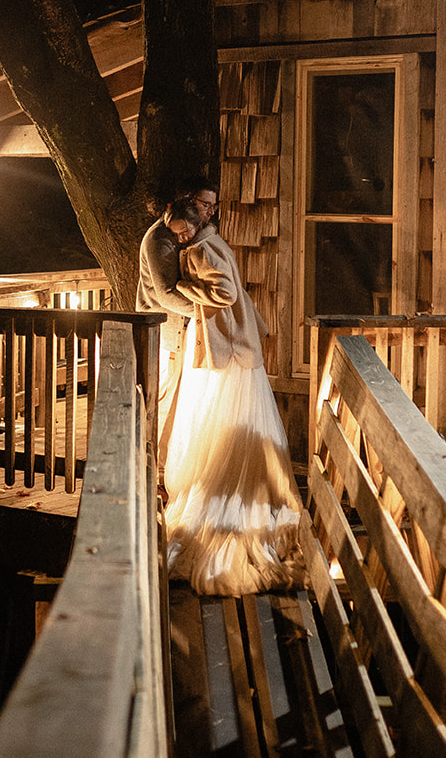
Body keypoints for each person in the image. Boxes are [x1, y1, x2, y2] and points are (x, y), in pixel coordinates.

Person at [161, 197, 305, 596]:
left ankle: (228, 494)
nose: (182, 238)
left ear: (196, 223)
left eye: (183, 231)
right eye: (177, 234)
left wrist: (185, 287)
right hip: (232, 341)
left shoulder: (204, 249)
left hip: (226, 343)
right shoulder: (211, 242)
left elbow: (223, 293)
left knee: (218, 410)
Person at [135, 176, 218, 411]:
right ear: (190, 202)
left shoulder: (191, 232)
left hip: (178, 329)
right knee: (157, 397)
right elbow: (165, 294)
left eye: (214, 206)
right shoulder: (160, 239)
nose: (210, 211)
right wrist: (207, 310)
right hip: (160, 329)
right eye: (205, 205)